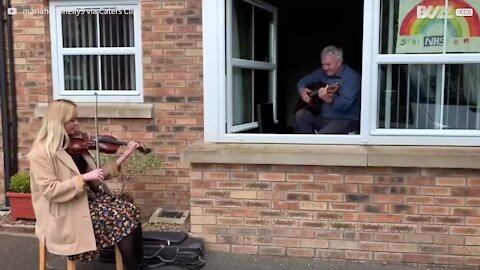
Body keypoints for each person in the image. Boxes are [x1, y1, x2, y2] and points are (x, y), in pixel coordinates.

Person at [28, 99, 149, 270]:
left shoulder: (73, 144)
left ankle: (138, 265)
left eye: (77, 119)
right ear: (57, 121)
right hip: (65, 209)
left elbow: (97, 176)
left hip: (86, 200)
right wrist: (83, 178)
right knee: (122, 217)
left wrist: (125, 155)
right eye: (72, 120)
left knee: (131, 210)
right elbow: (50, 191)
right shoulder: (41, 153)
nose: (77, 125)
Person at [295, 45, 361, 134]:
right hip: (324, 119)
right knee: (301, 115)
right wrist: (302, 90)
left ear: (339, 62)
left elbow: (344, 104)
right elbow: (305, 80)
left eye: (328, 64)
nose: (325, 68)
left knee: (323, 137)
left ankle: (314, 145)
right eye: (323, 64)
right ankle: (305, 146)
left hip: (346, 120)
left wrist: (329, 99)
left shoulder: (352, 78)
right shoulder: (323, 72)